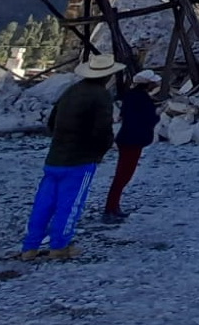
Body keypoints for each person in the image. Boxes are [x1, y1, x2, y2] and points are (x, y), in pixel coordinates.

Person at [18, 53, 123, 261]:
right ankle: (60, 246)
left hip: (55, 157)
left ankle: (29, 247)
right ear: (107, 75)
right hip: (80, 160)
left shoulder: (71, 91)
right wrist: (100, 151)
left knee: (44, 203)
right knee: (71, 204)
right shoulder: (101, 96)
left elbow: (51, 123)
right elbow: (102, 130)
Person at [102, 69, 162, 224]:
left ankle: (113, 207)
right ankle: (110, 209)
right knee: (123, 176)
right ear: (148, 84)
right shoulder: (143, 99)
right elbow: (150, 119)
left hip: (127, 138)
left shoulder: (130, 96)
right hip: (133, 140)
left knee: (122, 175)